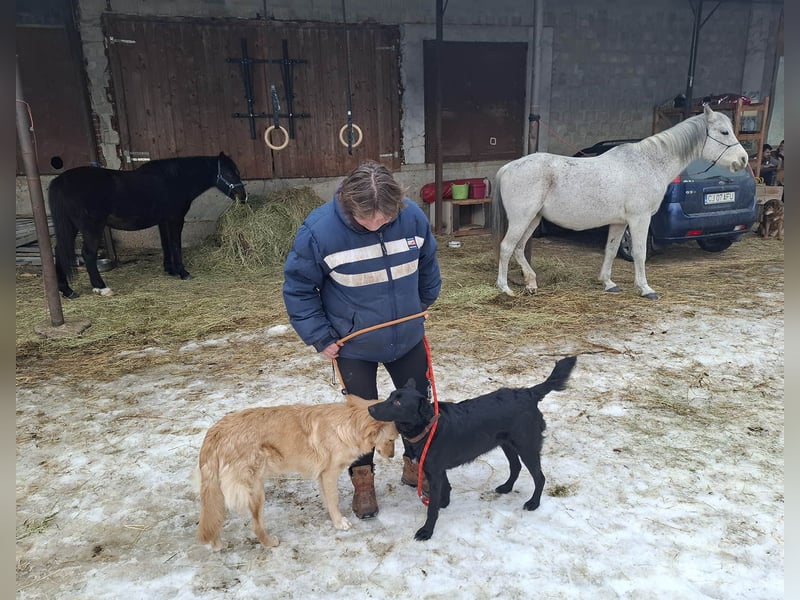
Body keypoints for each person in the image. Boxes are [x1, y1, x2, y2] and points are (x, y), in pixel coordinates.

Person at [283, 160, 442, 519]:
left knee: (419, 406)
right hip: (354, 344)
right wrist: (320, 336)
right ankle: (363, 480)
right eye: (367, 219)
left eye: (384, 219)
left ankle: (416, 464)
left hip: (407, 335)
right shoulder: (319, 231)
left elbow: (428, 262)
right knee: (363, 416)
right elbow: (298, 288)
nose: (375, 225)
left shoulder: (413, 217)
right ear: (348, 205)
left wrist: (423, 301)